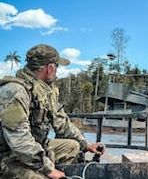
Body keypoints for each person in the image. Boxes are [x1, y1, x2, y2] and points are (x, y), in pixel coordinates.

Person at [0, 44, 105, 179]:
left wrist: (86, 145)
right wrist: (48, 170)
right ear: (50, 68)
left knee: (73, 146)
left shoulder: (45, 90)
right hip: (8, 155)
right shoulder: (15, 91)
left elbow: (62, 123)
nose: (56, 71)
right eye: (56, 66)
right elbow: (20, 141)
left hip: (34, 147)